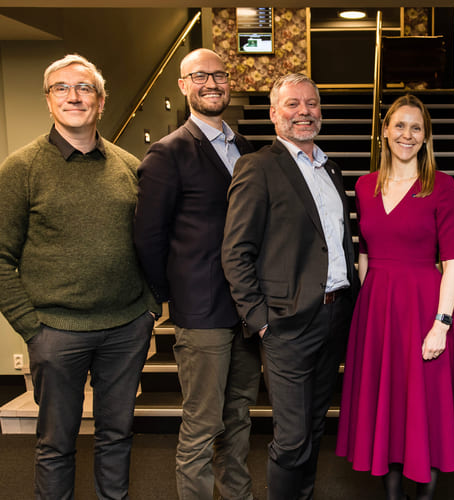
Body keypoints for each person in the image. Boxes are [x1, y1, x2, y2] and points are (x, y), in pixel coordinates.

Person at [0, 54, 159, 499]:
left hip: (125, 330)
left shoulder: (129, 167)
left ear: (102, 101)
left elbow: (149, 244)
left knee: (117, 436)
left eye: (84, 88)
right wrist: (32, 328)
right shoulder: (21, 169)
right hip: (56, 333)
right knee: (55, 444)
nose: (74, 96)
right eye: (62, 88)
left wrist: (149, 308)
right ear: (48, 101)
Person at [221, 72, 358, 500]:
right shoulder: (258, 166)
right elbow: (235, 251)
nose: (304, 112)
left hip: (334, 316)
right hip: (286, 324)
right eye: (293, 104)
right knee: (293, 436)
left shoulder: (329, 167)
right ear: (274, 114)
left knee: (316, 426)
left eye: (311, 104)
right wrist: (260, 320)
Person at [133, 48, 262, 500]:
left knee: (239, 417)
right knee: (202, 423)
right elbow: (148, 236)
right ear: (184, 85)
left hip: (246, 311)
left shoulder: (245, 148)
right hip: (201, 310)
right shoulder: (167, 153)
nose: (212, 83)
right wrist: (175, 294)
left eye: (220, 75)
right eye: (200, 76)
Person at [336, 95, 454, 500]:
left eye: (416, 128)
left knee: (424, 407)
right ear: (385, 130)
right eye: (400, 126)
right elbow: (364, 251)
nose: (407, 135)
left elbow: (453, 261)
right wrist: (370, 304)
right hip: (377, 310)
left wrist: (441, 323)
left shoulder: (441, 186)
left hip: (423, 309)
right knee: (390, 407)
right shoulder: (365, 186)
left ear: (426, 137)